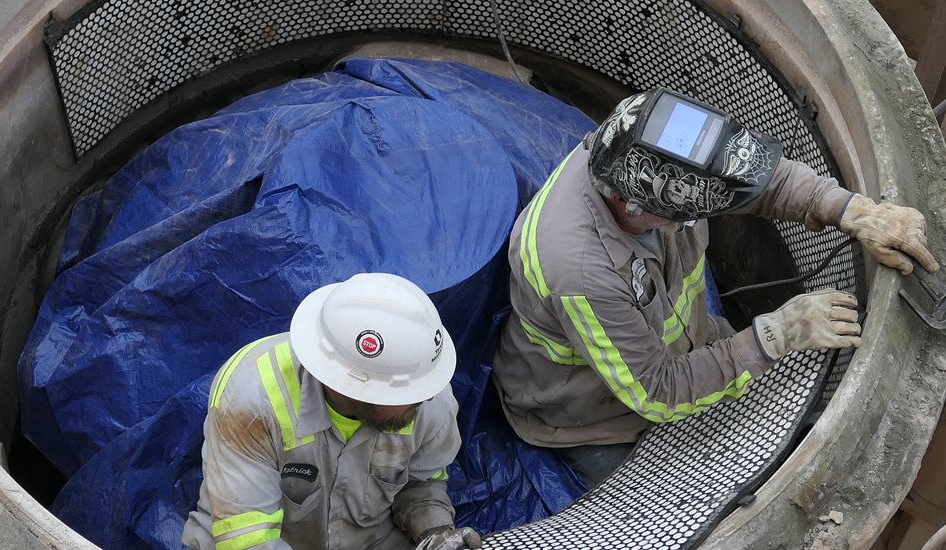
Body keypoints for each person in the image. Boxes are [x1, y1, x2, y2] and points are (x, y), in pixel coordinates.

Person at [491, 88, 940, 487]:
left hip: (688, 349)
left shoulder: (643, 154)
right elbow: (657, 391)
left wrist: (855, 212)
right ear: (633, 207)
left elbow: (761, 183)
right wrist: (774, 336)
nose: (696, 222)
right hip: (588, 414)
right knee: (671, 513)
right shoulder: (582, 271)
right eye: (687, 217)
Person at [182, 273, 482, 550]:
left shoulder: (430, 400)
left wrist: (434, 531)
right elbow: (248, 537)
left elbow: (420, 484)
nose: (427, 397)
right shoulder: (252, 397)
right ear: (351, 385)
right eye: (408, 391)